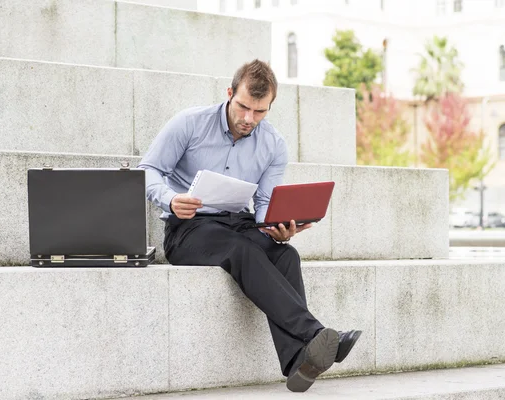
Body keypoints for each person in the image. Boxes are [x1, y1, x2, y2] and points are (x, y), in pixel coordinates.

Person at [138, 59, 361, 392]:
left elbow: (263, 207)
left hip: (238, 222)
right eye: (243, 107)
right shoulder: (189, 123)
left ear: (270, 106)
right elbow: (147, 171)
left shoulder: (273, 145)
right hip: (188, 227)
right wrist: (170, 199)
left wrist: (277, 227)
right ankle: (314, 334)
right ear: (229, 93)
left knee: (286, 256)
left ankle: (299, 361)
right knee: (242, 250)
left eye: (259, 112)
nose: (248, 119)